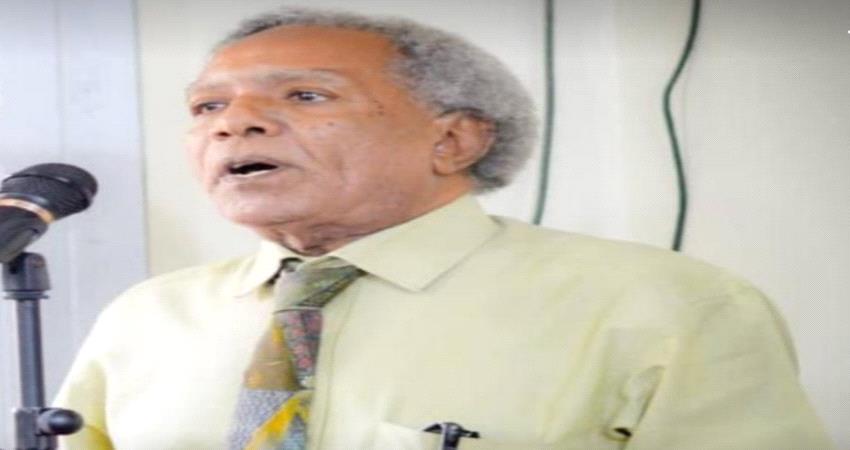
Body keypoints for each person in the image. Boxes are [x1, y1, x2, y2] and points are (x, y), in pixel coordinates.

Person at [55, 7, 833, 450]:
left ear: (454, 140)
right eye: (207, 107)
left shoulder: (666, 306)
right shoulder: (146, 317)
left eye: (305, 96)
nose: (235, 125)